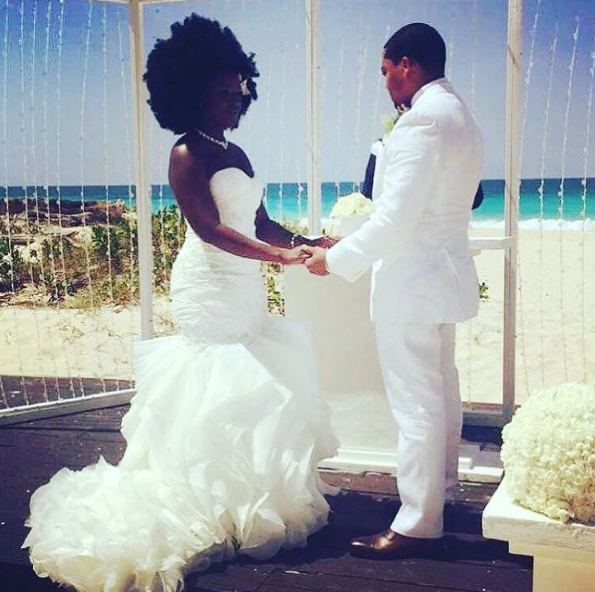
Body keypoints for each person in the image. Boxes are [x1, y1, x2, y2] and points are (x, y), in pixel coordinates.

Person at [23, 14, 338, 592]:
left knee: (254, 384)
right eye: (221, 93)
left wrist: (305, 243)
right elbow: (212, 229)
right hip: (208, 285)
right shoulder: (185, 153)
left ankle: (240, 503)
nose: (233, 102)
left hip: (244, 284)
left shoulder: (236, 151)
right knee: (213, 385)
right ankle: (199, 503)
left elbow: (259, 220)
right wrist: (279, 260)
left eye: (238, 91)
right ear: (191, 93)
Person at [303, 23, 483, 558]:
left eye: (385, 71)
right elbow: (434, 207)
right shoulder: (461, 115)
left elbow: (397, 220)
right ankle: (442, 497)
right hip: (440, 278)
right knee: (441, 395)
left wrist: (332, 259)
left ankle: (417, 523)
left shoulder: (423, 120)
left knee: (416, 406)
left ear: (407, 63)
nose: (385, 84)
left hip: (412, 284)